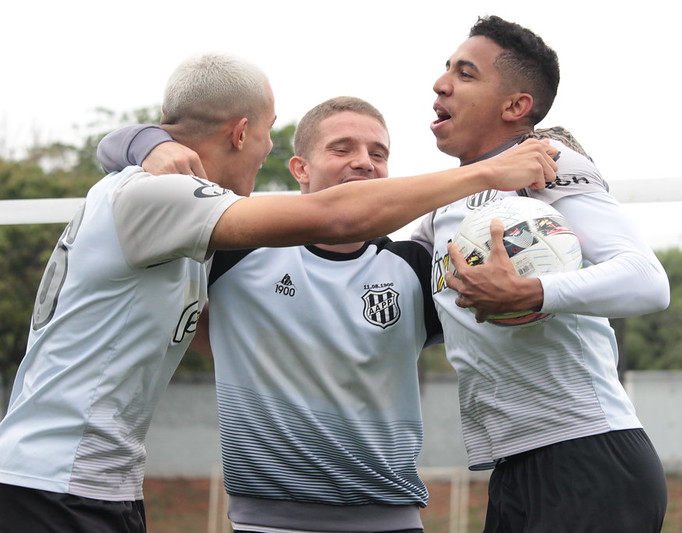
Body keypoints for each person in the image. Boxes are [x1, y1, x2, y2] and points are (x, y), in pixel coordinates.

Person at [0, 51, 560, 533]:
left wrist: (140, 140)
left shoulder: (178, 217)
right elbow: (333, 219)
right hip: (52, 482)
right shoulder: (165, 202)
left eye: (378, 153)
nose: (264, 149)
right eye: (268, 134)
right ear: (244, 134)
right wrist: (489, 172)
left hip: (102, 483)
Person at [96, 96, 443, 533]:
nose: (364, 163)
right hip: (266, 522)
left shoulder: (416, 266)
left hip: (392, 519)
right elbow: (113, 148)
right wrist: (152, 145)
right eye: (342, 149)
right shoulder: (233, 249)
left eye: (379, 153)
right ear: (300, 169)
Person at [411, 16, 672, 532]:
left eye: (465, 74)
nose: (441, 84)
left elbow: (647, 279)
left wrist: (530, 291)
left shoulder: (546, 163)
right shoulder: (443, 206)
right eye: (445, 70)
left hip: (588, 457)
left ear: (515, 106)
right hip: (512, 465)